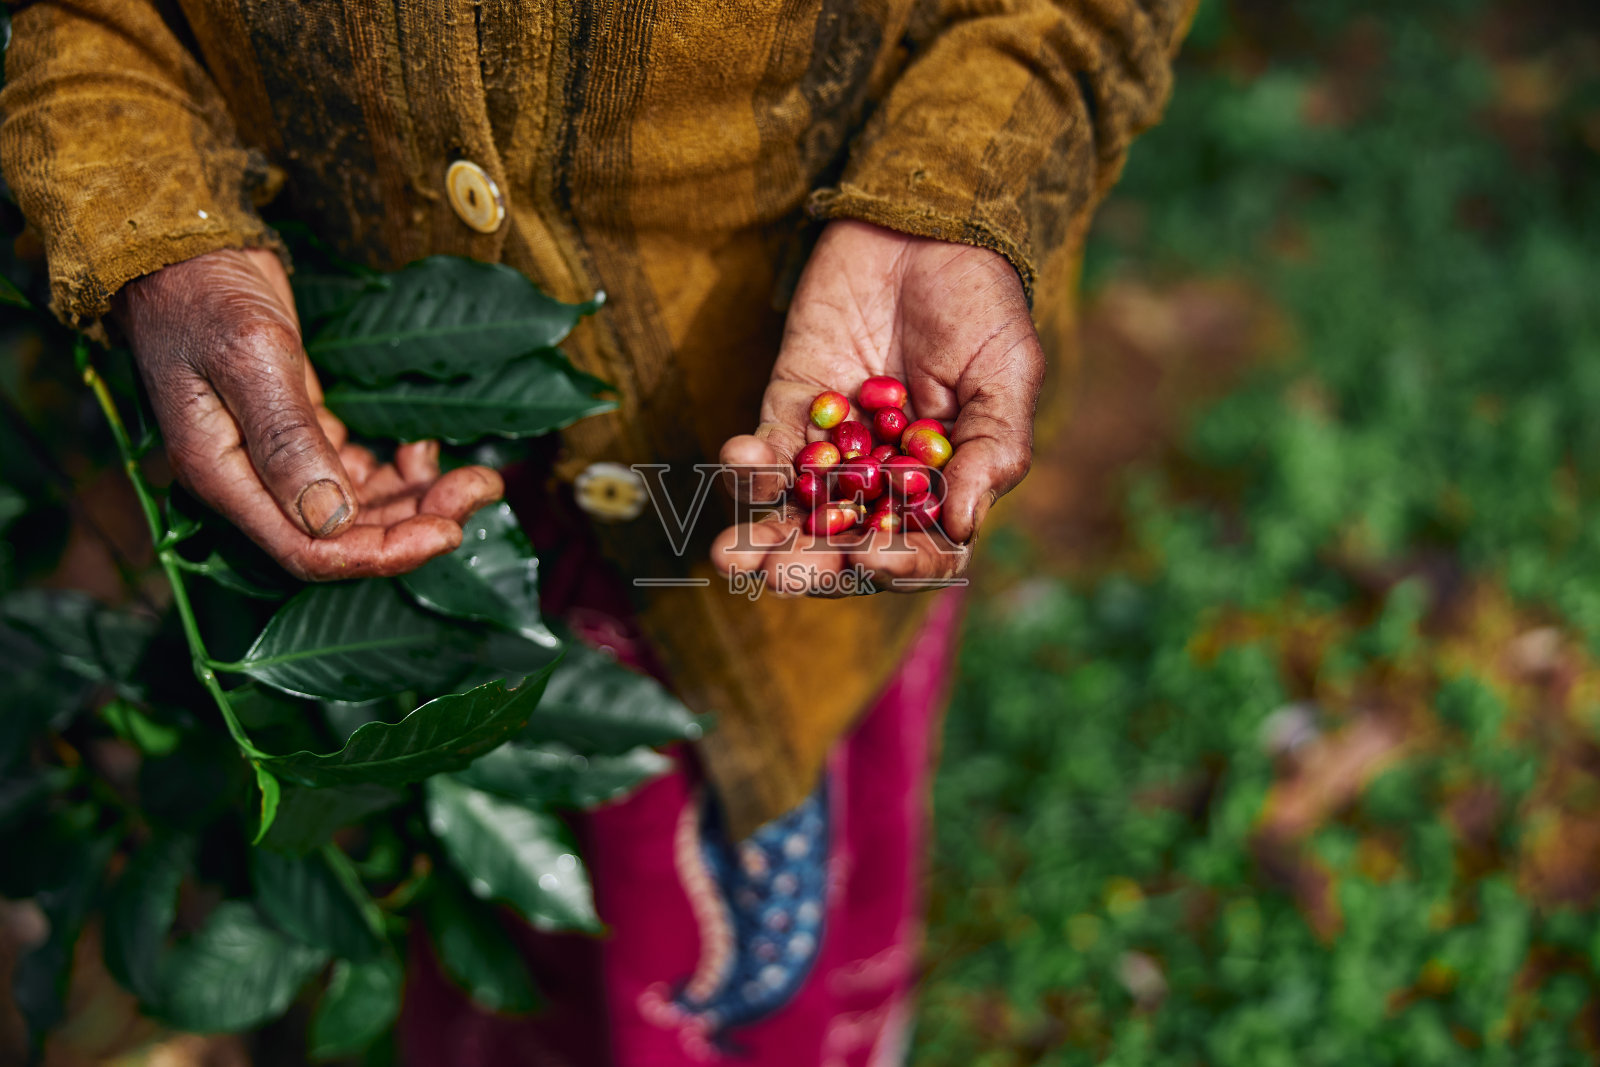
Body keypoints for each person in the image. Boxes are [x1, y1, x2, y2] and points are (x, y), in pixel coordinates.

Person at [0, 1, 1195, 1062]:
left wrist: (958, 197)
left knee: (749, 809)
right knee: (479, 893)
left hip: (726, 495)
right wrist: (156, 224)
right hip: (396, 462)